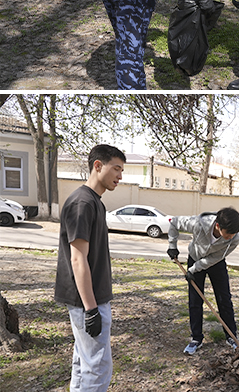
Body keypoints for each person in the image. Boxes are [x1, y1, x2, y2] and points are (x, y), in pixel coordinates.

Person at [54, 144, 126, 392]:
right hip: (88, 301)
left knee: (84, 362)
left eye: (122, 170)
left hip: (93, 299)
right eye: (116, 168)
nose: (120, 175)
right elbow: (77, 259)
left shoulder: (94, 202)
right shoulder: (81, 203)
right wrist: (91, 309)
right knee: (97, 366)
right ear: (98, 165)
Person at [167, 207, 239, 355]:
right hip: (195, 257)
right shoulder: (198, 224)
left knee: (224, 299)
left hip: (216, 263)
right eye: (228, 234)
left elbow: (215, 258)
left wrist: (194, 270)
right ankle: (196, 339)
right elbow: (174, 222)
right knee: (195, 301)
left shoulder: (235, 238)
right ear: (218, 226)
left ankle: (231, 336)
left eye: (233, 234)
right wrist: (172, 246)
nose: (231, 237)